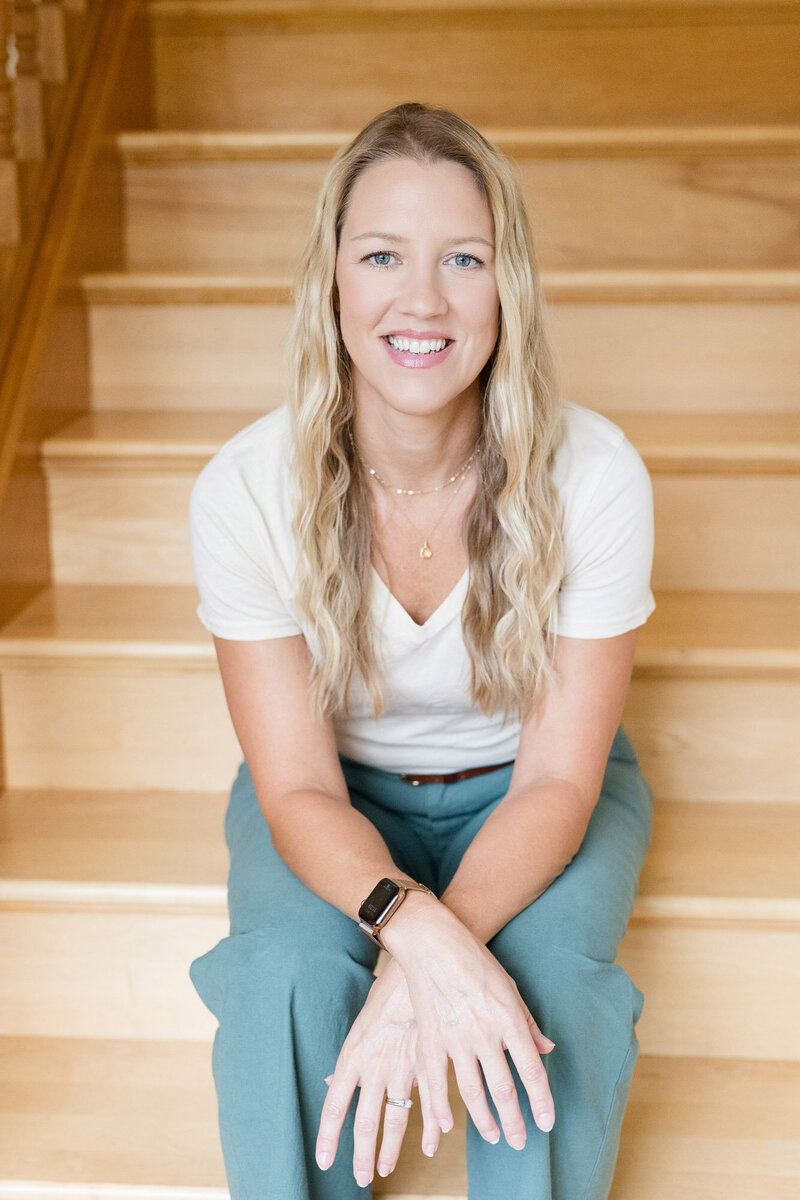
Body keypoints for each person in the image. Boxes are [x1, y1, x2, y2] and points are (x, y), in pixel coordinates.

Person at [187, 101, 655, 1200]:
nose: (422, 300)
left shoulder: (595, 475)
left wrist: (426, 957)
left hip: (530, 792)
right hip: (332, 794)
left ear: (509, 288)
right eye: (382, 255)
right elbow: (295, 783)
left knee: (542, 986)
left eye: (463, 258)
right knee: (282, 979)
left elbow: (555, 778)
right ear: (333, 281)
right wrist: (417, 934)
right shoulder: (247, 491)